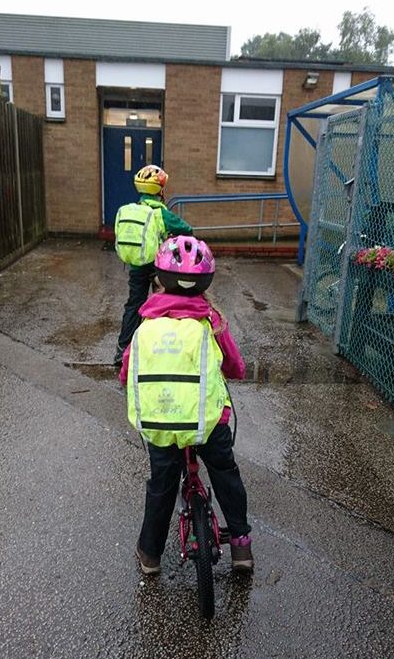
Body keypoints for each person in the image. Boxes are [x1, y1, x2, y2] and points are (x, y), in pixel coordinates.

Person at [119, 235, 253, 575]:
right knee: (225, 473)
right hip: (206, 423)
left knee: (161, 484)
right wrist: (233, 372)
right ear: (205, 282)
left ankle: (149, 554)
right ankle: (241, 547)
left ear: (160, 280)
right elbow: (235, 366)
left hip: (161, 425)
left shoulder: (146, 324)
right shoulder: (211, 321)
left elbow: (127, 371)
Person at [113, 165, 193, 366]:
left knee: (134, 304)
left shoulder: (133, 210)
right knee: (161, 306)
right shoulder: (161, 214)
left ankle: (122, 350)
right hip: (159, 268)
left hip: (138, 265)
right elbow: (187, 229)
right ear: (160, 191)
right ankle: (157, 350)